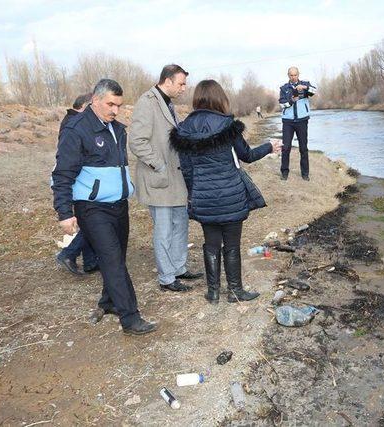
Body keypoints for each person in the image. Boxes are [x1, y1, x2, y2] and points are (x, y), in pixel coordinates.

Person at [51, 79, 157, 335]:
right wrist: (65, 212)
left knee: (117, 258)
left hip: (118, 205)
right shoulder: (77, 129)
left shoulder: (117, 129)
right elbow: (62, 173)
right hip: (92, 207)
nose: (115, 110)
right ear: (95, 100)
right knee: (113, 261)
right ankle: (130, 319)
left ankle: (108, 302)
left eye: (119, 105)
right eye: (110, 104)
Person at [170, 80, 282, 304]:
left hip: (203, 196)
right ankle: (235, 291)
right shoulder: (227, 125)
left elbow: (188, 171)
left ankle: (213, 293)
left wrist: (195, 193)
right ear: (219, 98)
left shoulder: (183, 130)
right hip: (231, 195)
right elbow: (247, 156)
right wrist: (270, 146)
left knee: (210, 244)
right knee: (231, 244)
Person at [129, 64, 202, 293]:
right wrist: (159, 165)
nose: (184, 88)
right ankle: (167, 277)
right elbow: (137, 142)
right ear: (167, 81)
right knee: (164, 229)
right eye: (181, 83)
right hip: (158, 179)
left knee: (180, 223)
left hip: (176, 178)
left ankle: (179, 268)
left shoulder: (169, 104)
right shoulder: (146, 102)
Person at [55, 93, 99, 276]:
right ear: (85, 106)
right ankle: (68, 253)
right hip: (80, 181)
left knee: (89, 221)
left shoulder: (73, 120)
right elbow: (68, 162)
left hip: (83, 181)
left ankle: (89, 261)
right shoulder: (74, 124)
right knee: (93, 223)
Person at [278, 66, 316, 181]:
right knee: (286, 148)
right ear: (288, 75)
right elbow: (281, 104)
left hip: (302, 121)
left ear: (298, 74)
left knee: (303, 148)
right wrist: (291, 101)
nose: (293, 77)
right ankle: (284, 173)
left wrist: (304, 87)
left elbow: (314, 91)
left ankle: (305, 174)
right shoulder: (284, 88)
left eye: (295, 75)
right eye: (291, 75)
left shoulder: (305, 85)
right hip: (288, 122)